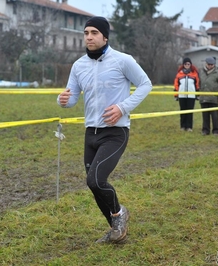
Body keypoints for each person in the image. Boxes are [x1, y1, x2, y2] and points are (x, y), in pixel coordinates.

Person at [57, 16, 152, 244]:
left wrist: (122, 107)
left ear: (105, 36)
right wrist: (62, 100)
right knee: (93, 184)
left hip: (115, 132)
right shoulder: (78, 65)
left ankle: (119, 213)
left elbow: (145, 84)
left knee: (96, 180)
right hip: (91, 132)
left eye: (94, 33)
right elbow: (72, 99)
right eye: (86, 33)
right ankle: (116, 229)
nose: (89, 37)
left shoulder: (122, 60)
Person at [198, 57, 218, 136]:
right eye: (209, 64)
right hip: (204, 98)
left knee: (215, 117)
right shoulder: (201, 72)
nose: (210, 66)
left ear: (214, 65)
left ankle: (216, 131)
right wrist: (199, 94)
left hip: (214, 99)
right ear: (206, 64)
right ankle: (205, 130)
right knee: (205, 116)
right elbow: (199, 83)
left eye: (212, 65)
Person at [173, 57, 200, 132]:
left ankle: (189, 127)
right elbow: (176, 85)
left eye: (188, 64)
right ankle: (183, 126)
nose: (187, 65)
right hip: (182, 95)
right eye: (185, 64)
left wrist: (197, 95)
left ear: (190, 64)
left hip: (191, 96)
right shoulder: (179, 74)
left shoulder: (195, 73)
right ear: (183, 65)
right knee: (182, 111)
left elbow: (197, 85)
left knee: (190, 111)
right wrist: (176, 95)